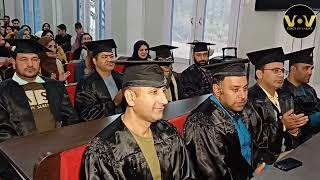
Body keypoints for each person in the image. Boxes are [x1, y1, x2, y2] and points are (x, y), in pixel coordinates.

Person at [80, 60, 196, 180]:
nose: (164, 100)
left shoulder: (169, 132)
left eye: (163, 91)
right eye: (154, 92)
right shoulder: (103, 151)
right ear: (130, 97)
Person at [184, 59, 265, 179]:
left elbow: (256, 145)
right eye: (235, 90)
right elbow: (213, 175)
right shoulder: (202, 123)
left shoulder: (243, 109)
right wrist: (251, 177)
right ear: (217, 90)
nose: (243, 96)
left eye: (245, 88)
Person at [247, 47, 308, 165]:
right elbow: (255, 141)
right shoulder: (249, 100)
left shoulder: (286, 95)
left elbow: (298, 132)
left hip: (289, 154)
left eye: (282, 71)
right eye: (275, 71)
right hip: (264, 162)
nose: (281, 75)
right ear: (260, 74)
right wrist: (283, 126)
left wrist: (294, 130)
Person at [75, 39, 124, 121]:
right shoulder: (86, 83)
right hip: (101, 127)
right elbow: (86, 114)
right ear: (95, 61)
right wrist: (113, 103)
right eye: (104, 57)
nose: (109, 60)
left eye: (111, 56)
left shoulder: (120, 77)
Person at [282, 47, 320, 142]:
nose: (310, 72)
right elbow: (297, 123)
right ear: (293, 69)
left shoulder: (309, 89)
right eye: (306, 68)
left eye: (311, 68)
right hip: (297, 144)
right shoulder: (283, 92)